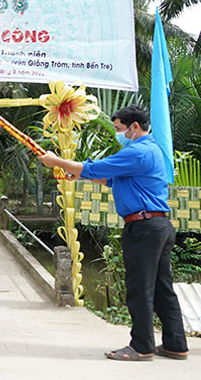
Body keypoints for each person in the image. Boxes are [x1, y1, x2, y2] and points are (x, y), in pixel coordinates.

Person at [38, 105, 188, 361]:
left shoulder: (138, 152)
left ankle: (141, 347)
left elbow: (96, 169)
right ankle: (175, 344)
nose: (118, 133)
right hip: (157, 226)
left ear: (135, 127)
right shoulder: (150, 151)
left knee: (139, 288)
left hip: (143, 227)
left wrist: (58, 162)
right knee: (163, 288)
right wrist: (78, 173)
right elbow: (110, 179)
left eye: (119, 128)